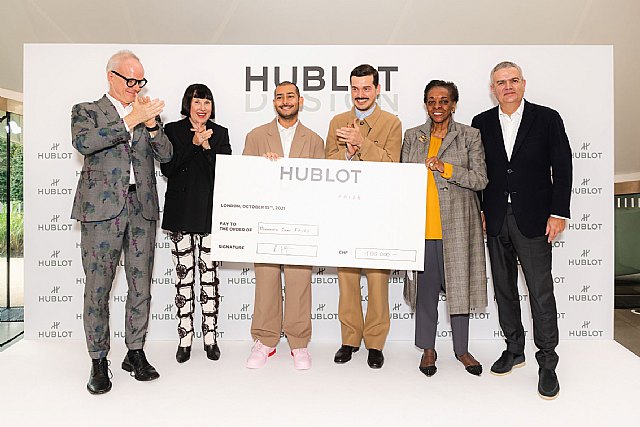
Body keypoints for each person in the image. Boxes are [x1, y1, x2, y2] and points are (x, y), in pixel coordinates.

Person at [71, 50, 173, 394]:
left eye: (140, 81)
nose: (135, 86)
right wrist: (131, 120)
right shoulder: (87, 110)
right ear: (110, 76)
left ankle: (135, 352)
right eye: (130, 79)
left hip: (141, 207)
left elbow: (167, 155)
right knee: (97, 287)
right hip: (101, 210)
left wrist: (152, 125)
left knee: (140, 285)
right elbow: (84, 143)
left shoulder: (146, 114)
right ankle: (98, 360)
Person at [471, 61, 572, 399]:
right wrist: (482, 209)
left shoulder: (547, 118)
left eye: (513, 80)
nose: (508, 87)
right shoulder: (481, 122)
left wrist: (558, 212)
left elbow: (563, 166)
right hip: (496, 218)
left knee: (540, 292)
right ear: (493, 89)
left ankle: (548, 362)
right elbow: (480, 171)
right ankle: (514, 349)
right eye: (501, 82)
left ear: (523, 84)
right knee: (504, 289)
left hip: (535, 219)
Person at [402, 80, 488, 377]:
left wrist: (445, 168)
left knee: (459, 290)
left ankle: (462, 350)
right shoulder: (412, 136)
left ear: (453, 104)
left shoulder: (469, 136)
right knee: (425, 293)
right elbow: (403, 180)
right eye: (431, 101)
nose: (437, 106)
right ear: (425, 104)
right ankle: (428, 348)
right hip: (423, 228)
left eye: (443, 101)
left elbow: (480, 179)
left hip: (458, 227)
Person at [242, 81, 325, 370]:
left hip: (300, 222)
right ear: (274, 102)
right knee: (266, 280)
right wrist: (262, 169)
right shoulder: (256, 136)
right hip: (266, 220)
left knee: (299, 281)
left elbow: (321, 186)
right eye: (280, 97)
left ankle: (298, 342)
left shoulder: (314, 140)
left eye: (290, 96)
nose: (285, 101)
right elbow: (245, 179)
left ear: (300, 101)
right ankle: (265, 340)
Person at [325, 64, 402, 369]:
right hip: (344, 212)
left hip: (378, 214)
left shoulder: (392, 123)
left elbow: (392, 165)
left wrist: (361, 143)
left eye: (366, 88)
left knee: (378, 282)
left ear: (377, 89)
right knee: (346, 280)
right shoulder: (337, 122)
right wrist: (346, 152)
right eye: (355, 89)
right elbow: (327, 164)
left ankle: (375, 343)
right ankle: (349, 339)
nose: (360, 94)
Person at [160, 84, 231, 363]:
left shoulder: (221, 133)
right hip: (181, 215)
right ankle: (185, 338)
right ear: (187, 104)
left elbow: (225, 172)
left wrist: (207, 145)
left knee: (210, 279)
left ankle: (210, 338)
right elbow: (168, 168)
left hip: (210, 216)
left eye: (207, 102)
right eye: (197, 102)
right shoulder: (172, 130)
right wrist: (193, 143)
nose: (202, 108)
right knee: (184, 279)